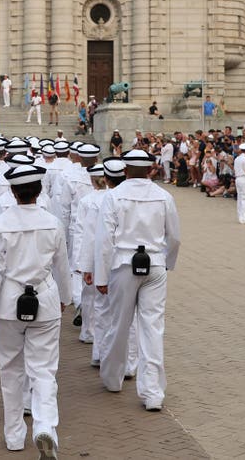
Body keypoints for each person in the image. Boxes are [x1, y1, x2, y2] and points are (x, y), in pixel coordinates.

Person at [0, 163, 70, 459]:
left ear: (13, 192)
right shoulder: (52, 222)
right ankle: (45, 426)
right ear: (39, 191)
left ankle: (15, 435)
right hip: (44, 298)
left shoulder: (0, 223)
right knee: (44, 370)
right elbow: (62, 266)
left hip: (8, 302)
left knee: (11, 372)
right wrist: (66, 297)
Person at [95, 149, 181, 412]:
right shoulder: (164, 196)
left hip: (123, 263)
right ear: (151, 169)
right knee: (152, 328)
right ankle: (152, 392)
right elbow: (174, 237)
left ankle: (113, 378)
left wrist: (101, 275)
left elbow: (104, 241)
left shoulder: (113, 196)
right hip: (154, 263)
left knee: (119, 324)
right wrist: (167, 263)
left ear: (124, 169)